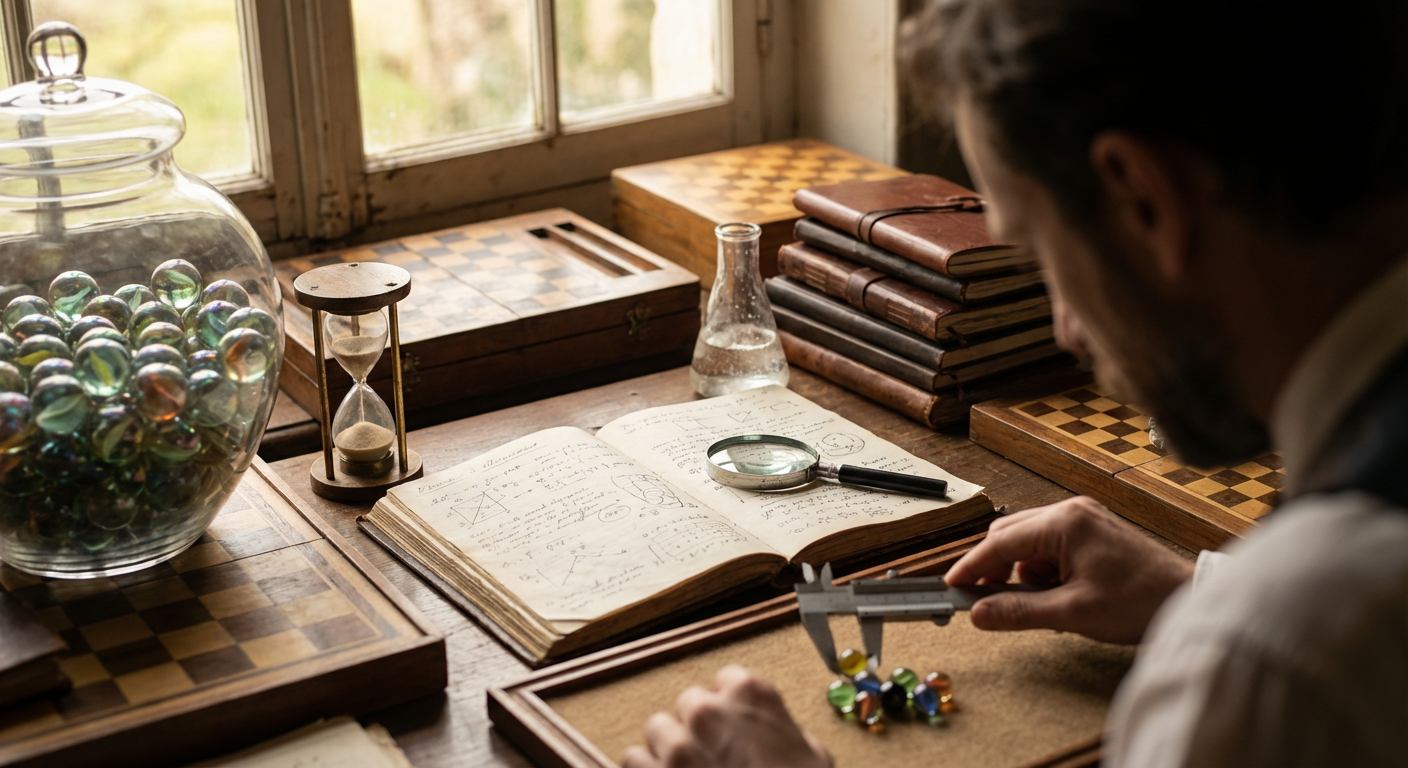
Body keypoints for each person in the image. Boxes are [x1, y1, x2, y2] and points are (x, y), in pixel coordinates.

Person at [622, 0, 1408, 765]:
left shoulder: (1270, 666)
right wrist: (1193, 594)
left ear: (1143, 199)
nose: (1067, 328)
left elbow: (1311, 648)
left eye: (1039, 251)